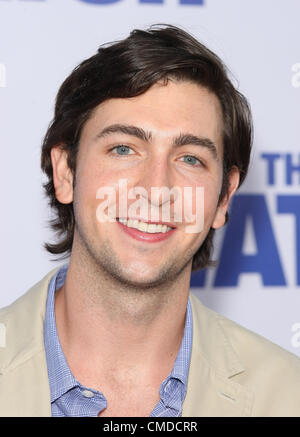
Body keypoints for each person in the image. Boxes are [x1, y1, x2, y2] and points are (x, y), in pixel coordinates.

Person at [1, 24, 300, 418]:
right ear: (66, 173)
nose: (156, 189)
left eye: (190, 158)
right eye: (124, 148)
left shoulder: (287, 396)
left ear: (224, 197)